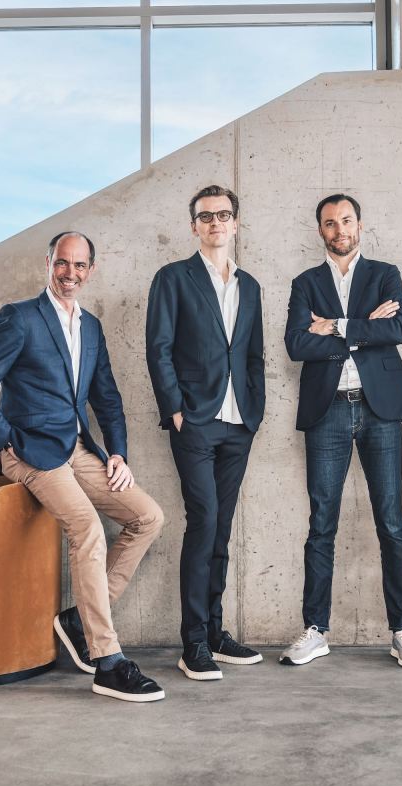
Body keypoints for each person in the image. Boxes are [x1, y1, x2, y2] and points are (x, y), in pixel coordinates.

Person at [0, 231, 166, 702]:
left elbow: (106, 397)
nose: (70, 273)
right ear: (48, 263)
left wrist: (118, 453)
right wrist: (6, 441)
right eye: (62, 263)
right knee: (88, 529)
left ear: (91, 270)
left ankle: (78, 620)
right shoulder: (19, 318)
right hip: (31, 452)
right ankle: (107, 661)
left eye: (79, 265)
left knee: (148, 517)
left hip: (77, 449)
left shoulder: (91, 327)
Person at [280, 193, 402, 669]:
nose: (339, 229)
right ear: (320, 230)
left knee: (392, 523)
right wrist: (364, 328)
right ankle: (315, 630)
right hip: (327, 411)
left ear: (359, 225)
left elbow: (397, 330)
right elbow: (296, 344)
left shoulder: (385, 275)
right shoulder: (306, 283)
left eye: (346, 220)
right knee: (321, 522)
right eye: (330, 223)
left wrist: (335, 326)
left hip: (380, 410)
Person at [145, 185, 266, 681]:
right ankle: (193, 641)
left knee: (222, 528)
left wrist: (256, 408)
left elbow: (253, 353)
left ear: (235, 223)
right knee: (204, 522)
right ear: (194, 225)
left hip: (239, 424)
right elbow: (158, 347)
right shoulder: (173, 278)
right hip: (194, 421)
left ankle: (215, 632)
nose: (216, 222)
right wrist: (175, 409)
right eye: (206, 216)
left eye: (223, 215)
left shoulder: (250, 286)